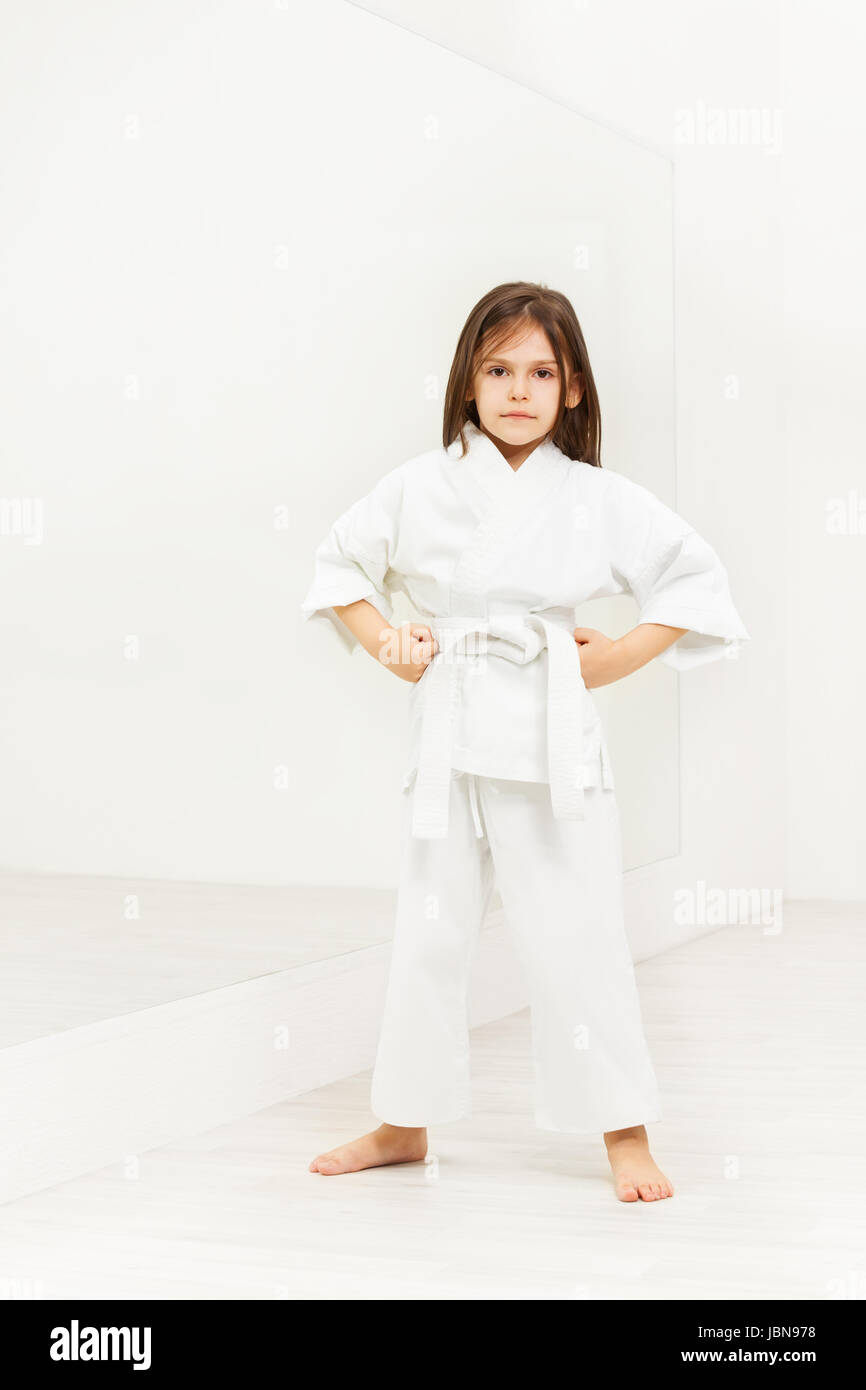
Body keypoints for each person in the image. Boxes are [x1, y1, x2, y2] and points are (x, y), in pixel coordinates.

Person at [299, 281, 749, 1202]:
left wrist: (618, 653)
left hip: (552, 737)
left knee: (579, 933)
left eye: (541, 372)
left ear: (573, 387)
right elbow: (339, 565)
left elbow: (694, 580)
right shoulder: (420, 486)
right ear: (467, 381)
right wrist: (391, 644)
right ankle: (402, 1120)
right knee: (429, 934)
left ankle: (624, 1130)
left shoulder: (595, 497)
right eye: (497, 369)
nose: (517, 390)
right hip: (450, 729)